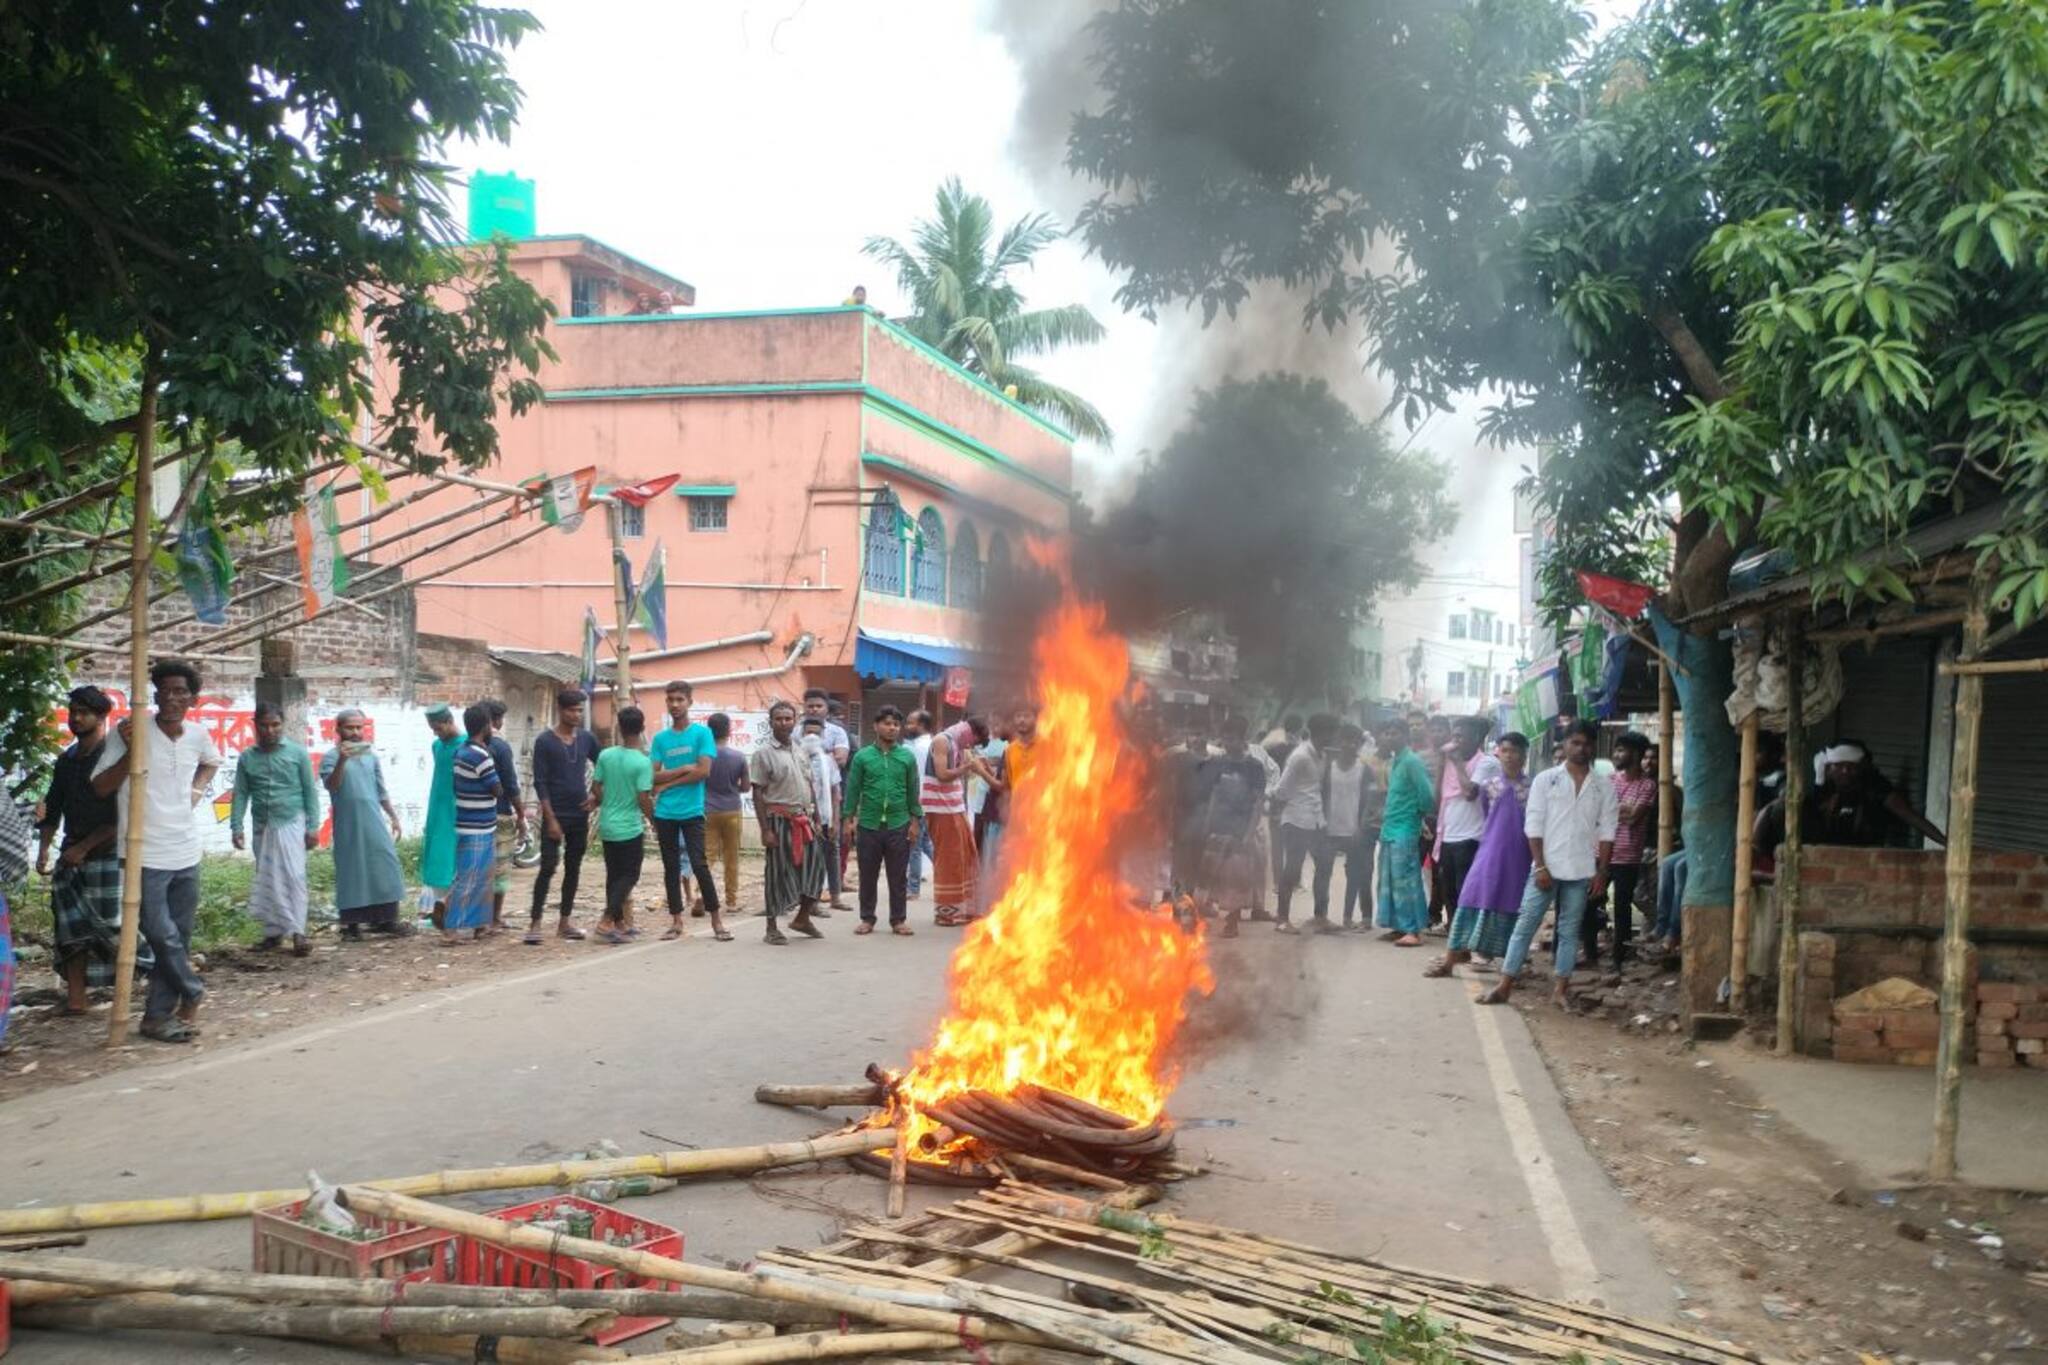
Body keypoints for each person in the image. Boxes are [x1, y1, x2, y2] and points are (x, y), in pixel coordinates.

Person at [90, 659, 221, 1043]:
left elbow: (211, 763)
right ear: (155, 693)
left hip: (186, 850)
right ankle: (193, 990)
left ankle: (156, 1017)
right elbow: (99, 786)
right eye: (165, 690)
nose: (172, 697)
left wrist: (194, 793)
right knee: (161, 935)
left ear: (192, 698)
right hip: (144, 853)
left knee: (178, 935)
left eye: (181, 691)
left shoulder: (197, 734)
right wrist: (132, 752)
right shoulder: (130, 730)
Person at [1488, 720, 1617, 1007]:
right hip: (1546, 866)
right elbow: (1533, 825)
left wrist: (1602, 871)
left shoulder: (1603, 786)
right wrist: (1541, 865)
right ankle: (1504, 984)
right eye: (1575, 742)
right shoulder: (1546, 780)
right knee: (1525, 925)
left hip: (1582, 868)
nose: (1581, 748)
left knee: (1569, 931)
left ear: (1593, 746)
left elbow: (1608, 831)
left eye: (1586, 743)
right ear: (1565, 744)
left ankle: (1560, 990)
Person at [37, 685, 137, 1011]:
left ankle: (157, 975)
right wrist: (44, 851)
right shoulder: (66, 761)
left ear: (101, 716)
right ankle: (76, 1000)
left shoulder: (113, 758)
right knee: (69, 932)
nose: (76, 718)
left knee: (112, 928)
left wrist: (85, 848)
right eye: (73, 712)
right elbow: (53, 809)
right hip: (71, 853)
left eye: (84, 712)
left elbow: (120, 817)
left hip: (107, 853)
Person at [1427, 732, 1532, 980]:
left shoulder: (1532, 786)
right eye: (1504, 750)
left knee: (1512, 907)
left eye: (1514, 751)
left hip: (1519, 856)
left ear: (1524, 755)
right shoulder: (1490, 786)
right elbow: (1486, 814)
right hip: (1489, 851)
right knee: (1469, 900)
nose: (1508, 756)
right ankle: (1451, 961)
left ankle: (1511, 968)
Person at [230, 701, 322, 957]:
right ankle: (273, 934)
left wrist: (313, 826)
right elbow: (241, 794)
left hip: (291, 822)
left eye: (275, 725)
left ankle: (299, 933)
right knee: (268, 877)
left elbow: (310, 792)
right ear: (255, 726)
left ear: (283, 725)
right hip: (263, 825)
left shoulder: (297, 753)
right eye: (264, 725)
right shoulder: (248, 757)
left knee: (294, 877)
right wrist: (236, 825)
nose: (270, 730)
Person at [1756, 740, 1946, 855]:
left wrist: (1947, 844)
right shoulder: (1820, 784)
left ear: (1861, 767)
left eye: (1851, 766)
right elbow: (1783, 809)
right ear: (1830, 768)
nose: (1845, 771)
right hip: (1821, 846)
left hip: (1860, 846)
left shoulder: (1875, 786)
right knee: (1779, 808)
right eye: (1839, 766)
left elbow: (1910, 816)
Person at [649, 680, 730, 942]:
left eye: (679, 700)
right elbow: (652, 777)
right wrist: (685, 769)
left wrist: (669, 781)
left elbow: (704, 771)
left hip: (693, 811)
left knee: (699, 864)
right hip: (665, 813)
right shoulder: (660, 739)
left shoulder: (702, 734)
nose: (675, 704)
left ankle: (717, 919)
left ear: (689, 702)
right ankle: (676, 921)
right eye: (670, 700)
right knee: (671, 868)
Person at [321, 708, 409, 940]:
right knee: (352, 870)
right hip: (348, 823)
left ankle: (387, 920)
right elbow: (332, 785)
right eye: (350, 727)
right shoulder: (331, 757)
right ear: (338, 729)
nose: (355, 732)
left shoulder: (371, 756)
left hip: (373, 819)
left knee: (385, 863)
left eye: (359, 727)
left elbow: (380, 790)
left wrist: (393, 816)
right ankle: (350, 925)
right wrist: (342, 759)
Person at [749, 699, 827, 944]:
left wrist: (816, 817)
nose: (784, 722)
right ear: (771, 722)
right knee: (777, 874)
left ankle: (802, 918)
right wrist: (765, 830)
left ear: (795, 721)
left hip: (804, 820)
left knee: (816, 868)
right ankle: (771, 927)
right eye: (779, 718)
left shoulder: (800, 749)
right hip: (779, 821)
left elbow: (809, 784)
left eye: (788, 718)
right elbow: (758, 792)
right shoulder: (763, 754)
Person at [842, 704, 922, 936]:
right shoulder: (862, 757)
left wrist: (915, 822)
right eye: (887, 723)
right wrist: (848, 820)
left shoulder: (906, 757)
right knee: (868, 874)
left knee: (898, 876)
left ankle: (898, 920)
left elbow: (912, 791)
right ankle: (867, 918)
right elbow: (853, 790)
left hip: (899, 823)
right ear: (876, 726)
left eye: (896, 724)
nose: (892, 728)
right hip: (869, 824)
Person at [527, 688, 597, 944]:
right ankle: (534, 923)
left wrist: (596, 796)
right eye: (572, 710)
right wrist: (551, 819)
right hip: (554, 814)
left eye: (580, 710)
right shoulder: (545, 741)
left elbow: (605, 765)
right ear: (561, 709)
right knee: (547, 867)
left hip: (580, 814)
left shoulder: (587, 739)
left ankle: (564, 922)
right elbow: (540, 782)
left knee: (573, 868)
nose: (576, 714)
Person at [1189, 716, 1268, 936]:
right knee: (1206, 877)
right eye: (1225, 738)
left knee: (1235, 879)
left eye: (1231, 738)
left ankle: (1232, 924)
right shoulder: (1218, 763)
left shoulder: (1254, 767)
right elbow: (1213, 795)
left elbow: (1258, 802)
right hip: (1217, 826)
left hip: (1240, 829)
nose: (1227, 743)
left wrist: (1249, 833)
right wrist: (1206, 825)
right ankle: (1196, 918)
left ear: (1243, 739)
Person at [589, 704, 655, 946]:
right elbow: (643, 797)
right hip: (628, 827)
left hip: (607, 824)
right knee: (630, 874)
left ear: (619, 727)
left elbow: (595, 787)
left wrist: (608, 802)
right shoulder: (641, 762)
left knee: (614, 876)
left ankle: (619, 924)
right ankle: (606, 920)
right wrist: (654, 820)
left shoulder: (606, 755)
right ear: (642, 729)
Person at [1432, 716, 1503, 939]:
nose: (1455, 742)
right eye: (1454, 736)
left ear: (1477, 739)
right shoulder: (1452, 762)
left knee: (1466, 891)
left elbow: (1470, 793)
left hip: (1472, 837)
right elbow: (1438, 796)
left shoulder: (1487, 762)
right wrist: (1442, 764)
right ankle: (1456, 935)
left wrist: (1457, 764)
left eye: (1460, 737)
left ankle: (1469, 936)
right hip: (1448, 835)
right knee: (1448, 890)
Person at [1270, 713, 1336, 933]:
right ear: (1320, 733)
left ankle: (1320, 916)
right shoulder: (1300, 756)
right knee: (1292, 869)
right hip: (1296, 820)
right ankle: (1282, 920)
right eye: (1330, 732)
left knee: (1325, 863)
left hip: (1316, 820)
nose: (1333, 737)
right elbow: (1282, 789)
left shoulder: (1322, 756)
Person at [924, 715, 992, 927]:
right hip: (939, 807)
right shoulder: (942, 741)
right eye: (975, 740)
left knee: (966, 854)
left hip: (955, 806)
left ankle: (964, 908)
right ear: (971, 732)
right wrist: (968, 767)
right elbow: (943, 774)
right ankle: (946, 912)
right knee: (949, 859)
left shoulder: (959, 743)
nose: (972, 745)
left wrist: (980, 767)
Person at [1375, 718, 1436, 947]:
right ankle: (1398, 926)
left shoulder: (1412, 761)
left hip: (1405, 828)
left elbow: (1427, 796)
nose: (1389, 737)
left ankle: (1412, 929)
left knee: (1406, 879)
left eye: (1394, 733)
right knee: (1389, 880)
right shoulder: (1396, 762)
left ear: (1404, 735)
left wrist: (1417, 816)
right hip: (1390, 828)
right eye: (1387, 733)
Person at [444, 703, 502, 944]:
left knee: (481, 877)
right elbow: (496, 788)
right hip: (477, 826)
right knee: (469, 878)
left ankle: (480, 925)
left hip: (471, 822)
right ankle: (451, 928)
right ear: (486, 726)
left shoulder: (461, 751)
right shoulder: (481, 756)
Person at [1601, 731, 1656, 967]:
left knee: (1622, 907)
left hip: (1628, 855)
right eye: (1616, 750)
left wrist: (1614, 810)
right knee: (1591, 901)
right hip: (1602, 851)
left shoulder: (1648, 785)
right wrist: (1620, 809)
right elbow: (1598, 811)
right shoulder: (1610, 780)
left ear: (1635, 754)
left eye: (1622, 750)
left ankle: (1618, 957)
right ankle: (1592, 952)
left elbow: (1633, 817)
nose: (1616, 755)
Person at [1324, 723, 1381, 931]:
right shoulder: (1327, 768)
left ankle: (1355, 917)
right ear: (1339, 742)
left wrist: (1361, 825)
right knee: (1324, 873)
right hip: (1330, 829)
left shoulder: (1364, 770)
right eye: (1347, 740)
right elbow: (1323, 796)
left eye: (1355, 741)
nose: (1351, 745)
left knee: (1358, 874)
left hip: (1356, 830)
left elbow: (1370, 801)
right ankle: (1321, 915)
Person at [802, 689, 852, 909]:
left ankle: (835, 897)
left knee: (831, 852)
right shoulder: (796, 740)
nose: (814, 709)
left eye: (818, 706)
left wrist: (836, 819)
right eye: (810, 705)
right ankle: (808, 899)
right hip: (803, 812)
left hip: (828, 811)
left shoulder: (836, 735)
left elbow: (840, 763)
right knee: (808, 855)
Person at [481, 699, 528, 931]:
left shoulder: (468, 747)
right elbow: (510, 784)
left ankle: (479, 918)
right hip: (499, 815)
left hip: (473, 818)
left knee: (479, 869)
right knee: (500, 869)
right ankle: (494, 918)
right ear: (497, 721)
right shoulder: (500, 747)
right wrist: (521, 815)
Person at [418, 703, 462, 928]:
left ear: (449, 721)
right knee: (437, 856)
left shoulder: (465, 746)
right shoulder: (437, 746)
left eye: (438, 728)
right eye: (433, 729)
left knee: (453, 857)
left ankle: (451, 909)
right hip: (437, 807)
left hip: (457, 809)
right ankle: (437, 907)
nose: (436, 733)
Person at [702, 712, 749, 911]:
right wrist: (732, 788)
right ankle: (731, 901)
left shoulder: (704, 757)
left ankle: (698, 894)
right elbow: (746, 787)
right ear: (729, 731)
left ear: (708, 731)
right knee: (731, 857)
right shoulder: (738, 757)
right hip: (732, 810)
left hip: (707, 810)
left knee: (707, 856)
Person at [904, 708, 936, 899]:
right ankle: (948, 874)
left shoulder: (919, 747)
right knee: (925, 843)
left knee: (914, 846)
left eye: (911, 723)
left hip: (917, 801)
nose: (907, 726)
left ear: (922, 726)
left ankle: (913, 888)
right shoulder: (928, 744)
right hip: (925, 801)